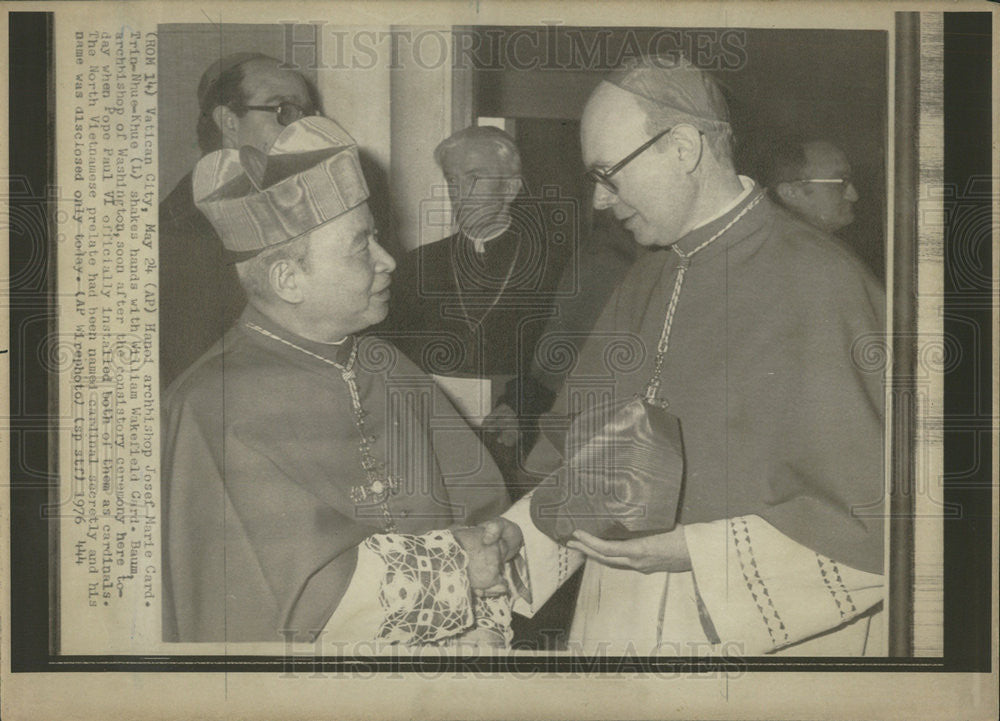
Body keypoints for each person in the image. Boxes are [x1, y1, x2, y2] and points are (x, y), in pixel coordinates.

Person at [486, 57, 887, 656]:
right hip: (621, 611)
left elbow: (884, 522)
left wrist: (694, 551)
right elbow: (584, 461)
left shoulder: (822, 281)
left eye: (608, 174)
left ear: (681, 147)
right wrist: (512, 540)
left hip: (746, 633)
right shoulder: (646, 276)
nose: (598, 200)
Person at [161, 116, 516, 646]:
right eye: (360, 246)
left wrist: (490, 571)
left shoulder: (386, 364)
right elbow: (294, 597)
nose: (388, 260)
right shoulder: (212, 407)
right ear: (289, 279)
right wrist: (461, 565)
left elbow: (484, 513)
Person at [379, 127, 563, 488]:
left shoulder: (553, 267)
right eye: (452, 179)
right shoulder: (417, 266)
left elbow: (564, 357)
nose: (459, 192)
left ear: (510, 189)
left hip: (513, 434)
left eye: (474, 178)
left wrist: (521, 409)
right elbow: (388, 353)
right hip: (429, 433)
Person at [159, 53, 319, 389]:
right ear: (229, 123)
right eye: (284, 111)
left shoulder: (288, 202)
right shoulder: (182, 229)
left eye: (309, 115)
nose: (305, 130)